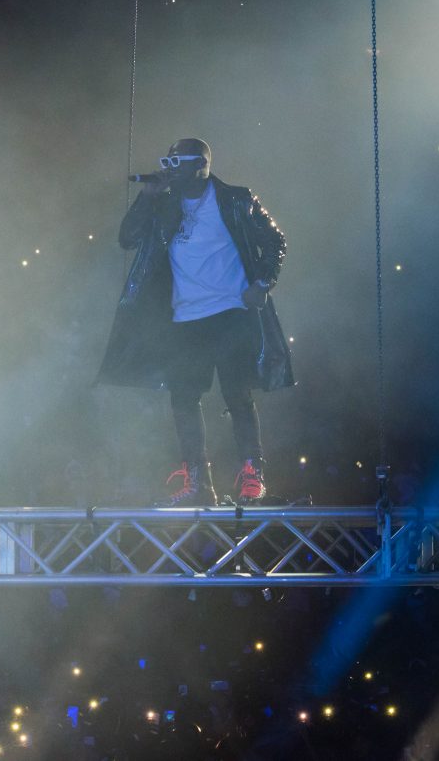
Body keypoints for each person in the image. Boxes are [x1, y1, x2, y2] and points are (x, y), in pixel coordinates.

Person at [97, 138, 293, 506]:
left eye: (179, 162)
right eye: (168, 162)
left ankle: (252, 474)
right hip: (185, 315)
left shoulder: (236, 199)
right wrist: (149, 196)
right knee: (184, 397)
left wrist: (263, 283)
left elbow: (276, 240)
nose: (171, 168)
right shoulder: (164, 204)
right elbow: (127, 239)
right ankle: (198, 481)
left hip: (231, 310)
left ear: (201, 165)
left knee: (237, 393)